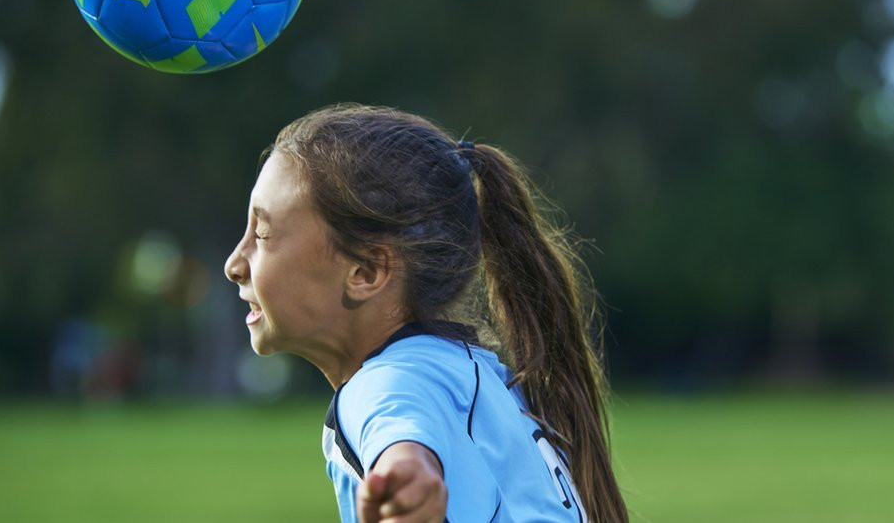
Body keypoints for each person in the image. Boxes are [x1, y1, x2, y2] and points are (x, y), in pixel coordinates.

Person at [224, 104, 629, 523]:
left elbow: (400, 435)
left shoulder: (385, 381)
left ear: (366, 271)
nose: (234, 264)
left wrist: (405, 476)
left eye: (263, 233)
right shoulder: (481, 376)